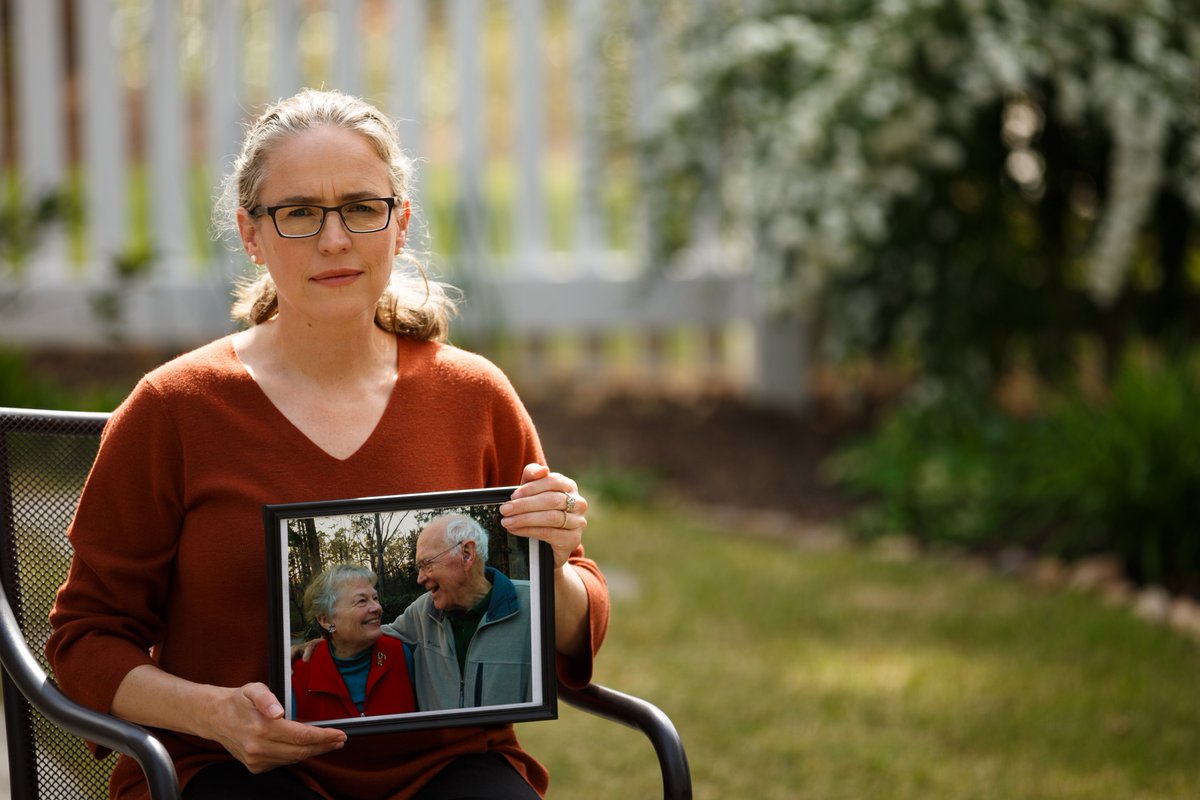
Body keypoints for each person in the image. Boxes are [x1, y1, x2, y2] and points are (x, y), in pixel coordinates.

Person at [45, 88, 606, 800]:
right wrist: (212, 715)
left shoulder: (474, 396)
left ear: (399, 224)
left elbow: (571, 630)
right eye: (300, 212)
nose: (335, 239)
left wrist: (551, 569)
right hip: (230, 769)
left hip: (448, 767)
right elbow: (86, 638)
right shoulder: (173, 409)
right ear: (252, 233)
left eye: (361, 208)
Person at [386, 514, 532, 709]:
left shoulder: (534, 604)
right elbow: (365, 638)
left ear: (467, 554)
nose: (420, 578)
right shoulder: (422, 611)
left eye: (427, 565)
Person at [292, 564, 417, 721]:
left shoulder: (401, 655)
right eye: (362, 601)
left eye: (375, 598)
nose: (377, 608)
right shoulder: (298, 675)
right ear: (325, 620)